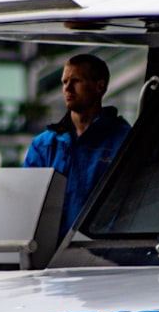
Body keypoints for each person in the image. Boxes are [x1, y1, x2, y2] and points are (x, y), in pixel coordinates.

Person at [23, 54, 131, 236]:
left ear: (100, 86)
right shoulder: (43, 146)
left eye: (76, 81)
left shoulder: (125, 141)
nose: (67, 88)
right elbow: (26, 204)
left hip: (105, 250)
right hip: (52, 256)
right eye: (65, 81)